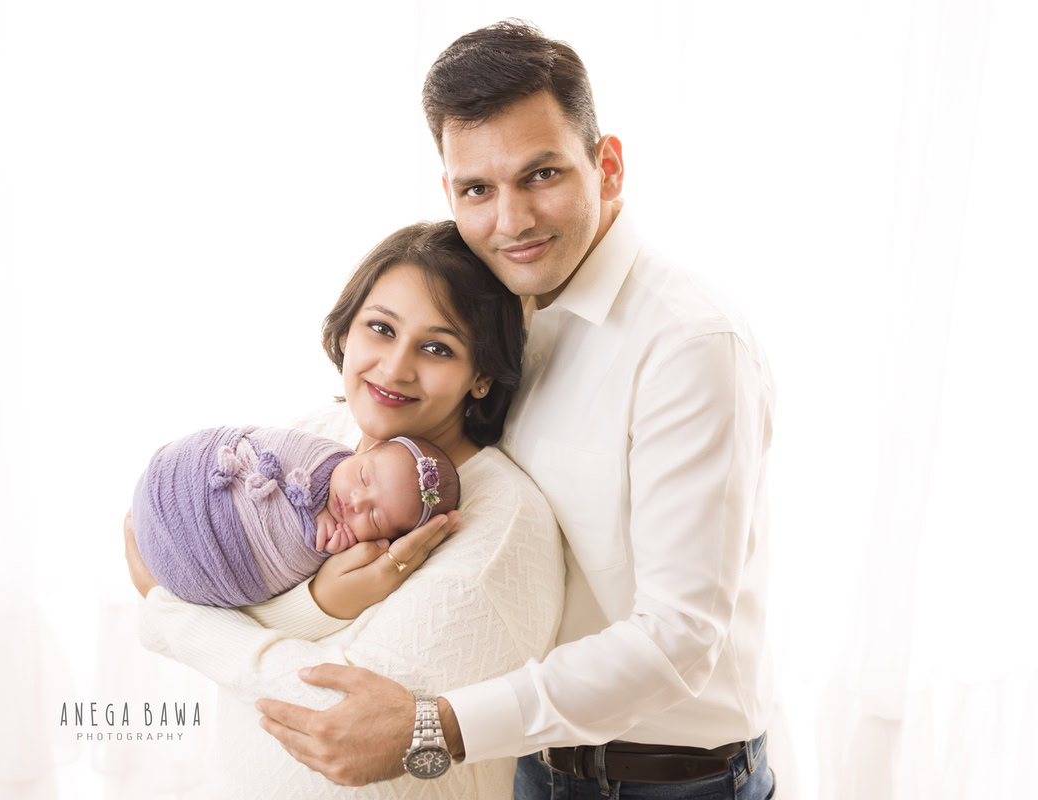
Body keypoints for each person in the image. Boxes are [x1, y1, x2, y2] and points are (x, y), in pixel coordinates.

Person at [251, 21, 778, 799]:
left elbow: (679, 640)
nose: (512, 221)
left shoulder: (689, 344)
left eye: (541, 175)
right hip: (530, 765)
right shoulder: (490, 314)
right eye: (478, 189)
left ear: (609, 166)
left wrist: (434, 729)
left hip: (667, 781)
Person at [124, 219, 565, 798]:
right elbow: (209, 572)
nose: (394, 367)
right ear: (347, 327)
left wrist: (171, 613)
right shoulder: (315, 439)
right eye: (381, 328)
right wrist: (317, 606)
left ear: (481, 375)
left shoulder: (497, 530)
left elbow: (342, 719)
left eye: (437, 347)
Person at [130, 424, 459, 607]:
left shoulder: (346, 549)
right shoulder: (321, 451)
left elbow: (294, 569)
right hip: (176, 480)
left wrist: (322, 547)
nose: (357, 501)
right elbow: (273, 446)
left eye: (373, 517)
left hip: (207, 572)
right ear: (366, 451)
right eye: (363, 476)